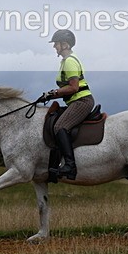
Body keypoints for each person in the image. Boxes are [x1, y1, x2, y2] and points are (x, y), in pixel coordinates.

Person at [41, 29, 94, 180]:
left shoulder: (70, 61)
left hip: (81, 101)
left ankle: (70, 166)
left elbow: (74, 87)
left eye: (56, 44)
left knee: (60, 126)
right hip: (74, 101)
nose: (54, 47)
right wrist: (52, 93)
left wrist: (54, 93)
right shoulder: (66, 61)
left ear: (64, 44)